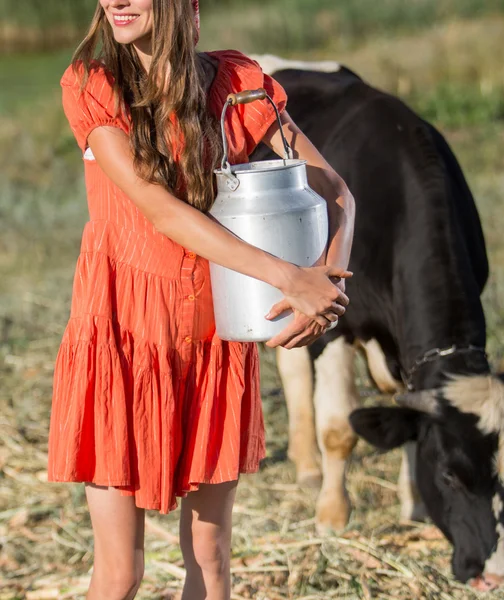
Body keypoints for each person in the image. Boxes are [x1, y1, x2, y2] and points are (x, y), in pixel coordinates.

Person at [46, 1, 354, 599]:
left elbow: (335, 189)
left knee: (211, 558)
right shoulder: (93, 82)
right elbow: (160, 209)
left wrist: (327, 283)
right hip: (124, 338)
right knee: (119, 574)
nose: (116, 0)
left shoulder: (237, 84)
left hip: (213, 339)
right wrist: (290, 278)